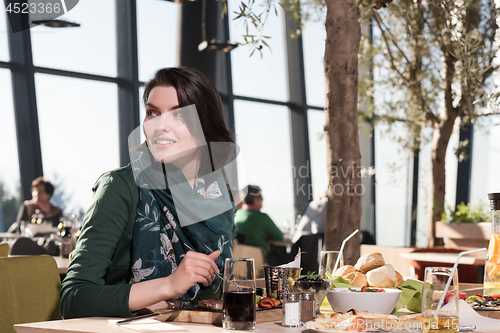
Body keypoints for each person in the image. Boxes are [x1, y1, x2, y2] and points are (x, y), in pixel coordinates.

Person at [60, 67, 237, 319]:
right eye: (153, 113)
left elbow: (219, 295)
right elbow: (73, 300)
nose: (160, 126)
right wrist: (167, 286)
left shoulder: (216, 195)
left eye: (178, 115)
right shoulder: (121, 187)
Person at [234, 185, 283, 258]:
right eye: (260, 197)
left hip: (237, 257)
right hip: (258, 259)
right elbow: (279, 236)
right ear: (255, 199)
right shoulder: (263, 217)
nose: (262, 199)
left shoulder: (236, 214)